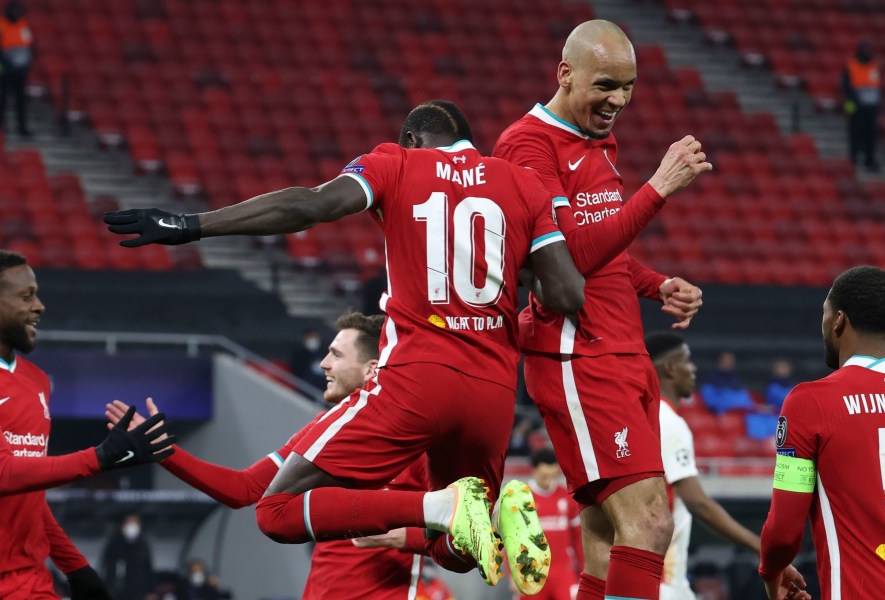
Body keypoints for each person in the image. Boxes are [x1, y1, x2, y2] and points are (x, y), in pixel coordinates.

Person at [103, 100, 586, 594]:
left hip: (419, 380)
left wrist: (191, 226)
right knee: (462, 552)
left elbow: (310, 205)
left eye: (336, 353)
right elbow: (568, 294)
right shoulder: (521, 185)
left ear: (412, 141)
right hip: (494, 392)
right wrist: (511, 266)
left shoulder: (395, 162)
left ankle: (442, 507)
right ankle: (473, 512)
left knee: (275, 512)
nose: (324, 363)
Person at [491, 19, 710, 600]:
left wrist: (653, 284)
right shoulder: (526, 147)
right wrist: (658, 188)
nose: (618, 100)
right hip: (577, 355)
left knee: (606, 535)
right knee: (650, 524)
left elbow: (602, 250)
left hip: (620, 348)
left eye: (629, 87)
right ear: (565, 73)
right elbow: (565, 264)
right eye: (606, 85)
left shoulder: (596, 139)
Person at [107, 312, 431, 599]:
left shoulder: (415, 439)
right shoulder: (321, 430)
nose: (323, 364)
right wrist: (165, 453)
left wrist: (405, 536)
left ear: (371, 369)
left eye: (335, 354)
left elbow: (467, 524)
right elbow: (243, 488)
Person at [759, 266, 885, 599]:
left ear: (838, 320)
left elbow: (783, 532)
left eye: (824, 313)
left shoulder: (809, 403)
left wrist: (770, 571)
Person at [0, 250, 175, 599]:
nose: (40, 306)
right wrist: (100, 457)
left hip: (30, 582)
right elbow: (0, 475)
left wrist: (75, 566)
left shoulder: (37, 382)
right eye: (26, 296)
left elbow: (28, 497)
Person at [644, 332, 807, 600]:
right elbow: (698, 503)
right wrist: (762, 549)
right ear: (670, 368)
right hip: (664, 580)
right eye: (687, 361)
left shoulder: (647, 415)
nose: (694, 369)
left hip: (662, 578)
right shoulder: (669, 422)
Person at [519, 447, 582, 600]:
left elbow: (578, 540)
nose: (548, 480)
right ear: (533, 471)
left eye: (551, 475)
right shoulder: (521, 500)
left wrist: (583, 573)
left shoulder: (567, 499)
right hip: (531, 574)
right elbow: (512, 542)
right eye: (543, 476)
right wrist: (512, 575)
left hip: (563, 573)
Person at [0, 0, 33, 136]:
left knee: (20, 100)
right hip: (5, 68)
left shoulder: (23, 25)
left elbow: (30, 45)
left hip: (20, 69)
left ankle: (22, 128)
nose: (16, 13)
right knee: (2, 99)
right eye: (14, 10)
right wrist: (6, 62)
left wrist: (25, 62)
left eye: (18, 10)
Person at [842, 41, 882, 172]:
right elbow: (846, 87)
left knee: (871, 133)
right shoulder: (850, 66)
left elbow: (877, 85)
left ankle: (869, 160)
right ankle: (852, 159)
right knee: (854, 131)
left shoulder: (874, 67)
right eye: (865, 50)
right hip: (853, 104)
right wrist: (855, 99)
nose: (867, 52)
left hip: (870, 105)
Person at [101, 514, 156, 600]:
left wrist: (151, 591)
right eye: (129, 523)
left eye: (135, 523)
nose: (132, 526)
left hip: (138, 592)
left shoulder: (143, 544)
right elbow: (106, 568)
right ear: (123, 525)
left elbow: (148, 569)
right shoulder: (114, 543)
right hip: (117, 591)